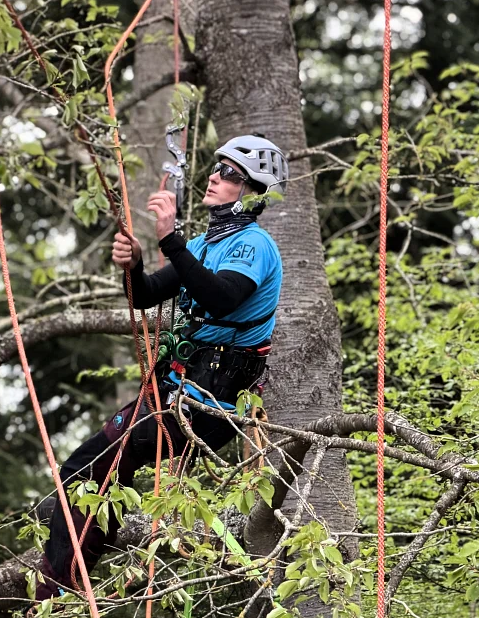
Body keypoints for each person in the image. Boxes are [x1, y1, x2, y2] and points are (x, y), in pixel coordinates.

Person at [34, 135, 288, 601]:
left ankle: (56, 597)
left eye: (229, 173)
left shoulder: (254, 245)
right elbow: (147, 295)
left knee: (91, 466)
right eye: (217, 168)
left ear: (252, 190)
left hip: (211, 400)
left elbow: (220, 297)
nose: (214, 176)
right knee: (85, 469)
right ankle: (68, 582)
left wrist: (170, 240)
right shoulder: (207, 243)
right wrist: (131, 267)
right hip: (179, 388)